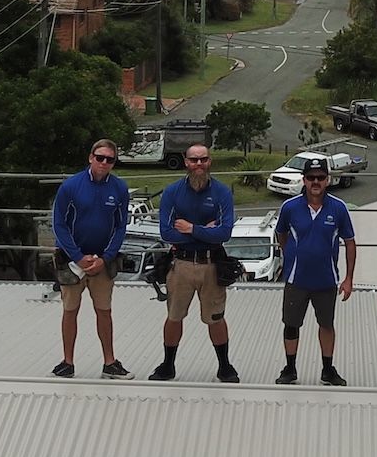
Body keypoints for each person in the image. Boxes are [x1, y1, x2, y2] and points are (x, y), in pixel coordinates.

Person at [150, 144, 241, 383]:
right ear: (185, 162)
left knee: (215, 317)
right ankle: (168, 365)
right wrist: (204, 231)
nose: (198, 165)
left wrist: (190, 228)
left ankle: (224, 366)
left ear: (210, 161)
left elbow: (225, 233)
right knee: (174, 316)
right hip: (180, 265)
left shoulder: (222, 193)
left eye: (203, 160)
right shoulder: (171, 193)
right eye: (194, 160)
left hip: (212, 266)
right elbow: (167, 233)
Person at [50, 138, 132, 380]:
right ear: (90, 158)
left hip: (102, 263)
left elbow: (120, 227)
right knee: (70, 310)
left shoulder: (119, 189)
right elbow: (59, 224)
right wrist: (78, 256)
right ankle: (67, 362)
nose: (104, 163)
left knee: (104, 311)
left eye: (110, 159)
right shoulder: (70, 186)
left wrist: (105, 258)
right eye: (100, 158)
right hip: (72, 260)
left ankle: (110, 363)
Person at [271, 157, 357, 386]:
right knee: (291, 324)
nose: (315, 182)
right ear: (304, 180)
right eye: (311, 178)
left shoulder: (338, 208)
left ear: (327, 180)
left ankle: (328, 369)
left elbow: (349, 242)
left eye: (320, 178)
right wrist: (290, 253)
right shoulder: (290, 207)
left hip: (326, 280)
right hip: (295, 279)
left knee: (326, 324)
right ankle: (290, 368)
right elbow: (281, 234)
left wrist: (348, 279)